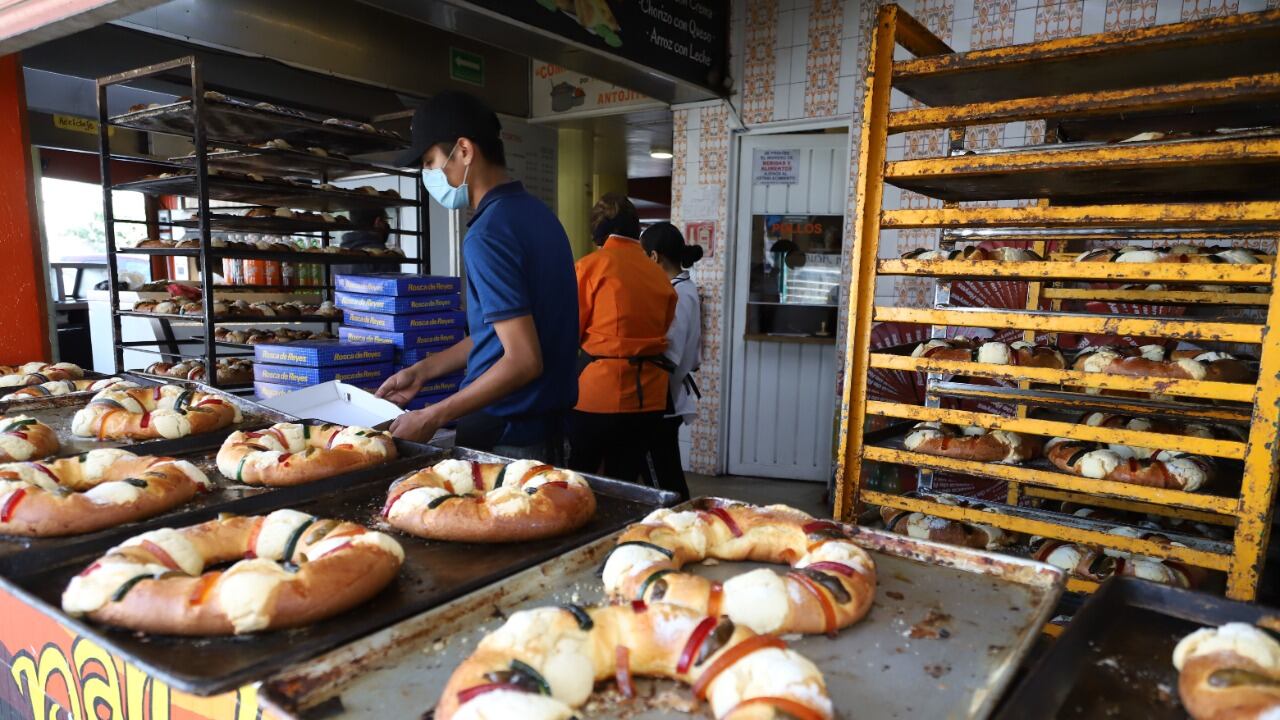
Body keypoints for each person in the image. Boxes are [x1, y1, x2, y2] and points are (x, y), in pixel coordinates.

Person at [376, 91, 578, 460]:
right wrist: (423, 371)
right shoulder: (539, 216)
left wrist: (434, 414)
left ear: (465, 151)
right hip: (550, 428)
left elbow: (523, 360)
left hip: (510, 436)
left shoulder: (488, 233)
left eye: (430, 161)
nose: (429, 174)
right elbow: (500, 336)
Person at [568, 193, 676, 483]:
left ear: (598, 231)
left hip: (598, 394)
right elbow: (664, 326)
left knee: (581, 481)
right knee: (627, 480)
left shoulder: (590, 267)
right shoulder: (658, 274)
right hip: (650, 396)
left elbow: (570, 331)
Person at [639, 222, 702, 500]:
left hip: (663, 396)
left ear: (654, 257)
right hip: (667, 394)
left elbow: (669, 354)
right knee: (666, 473)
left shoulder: (677, 293)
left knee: (661, 481)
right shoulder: (681, 288)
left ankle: (675, 528)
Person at [332, 208, 392, 276]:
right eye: (385, 220)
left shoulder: (339, 253)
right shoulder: (383, 255)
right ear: (377, 222)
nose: (387, 225)